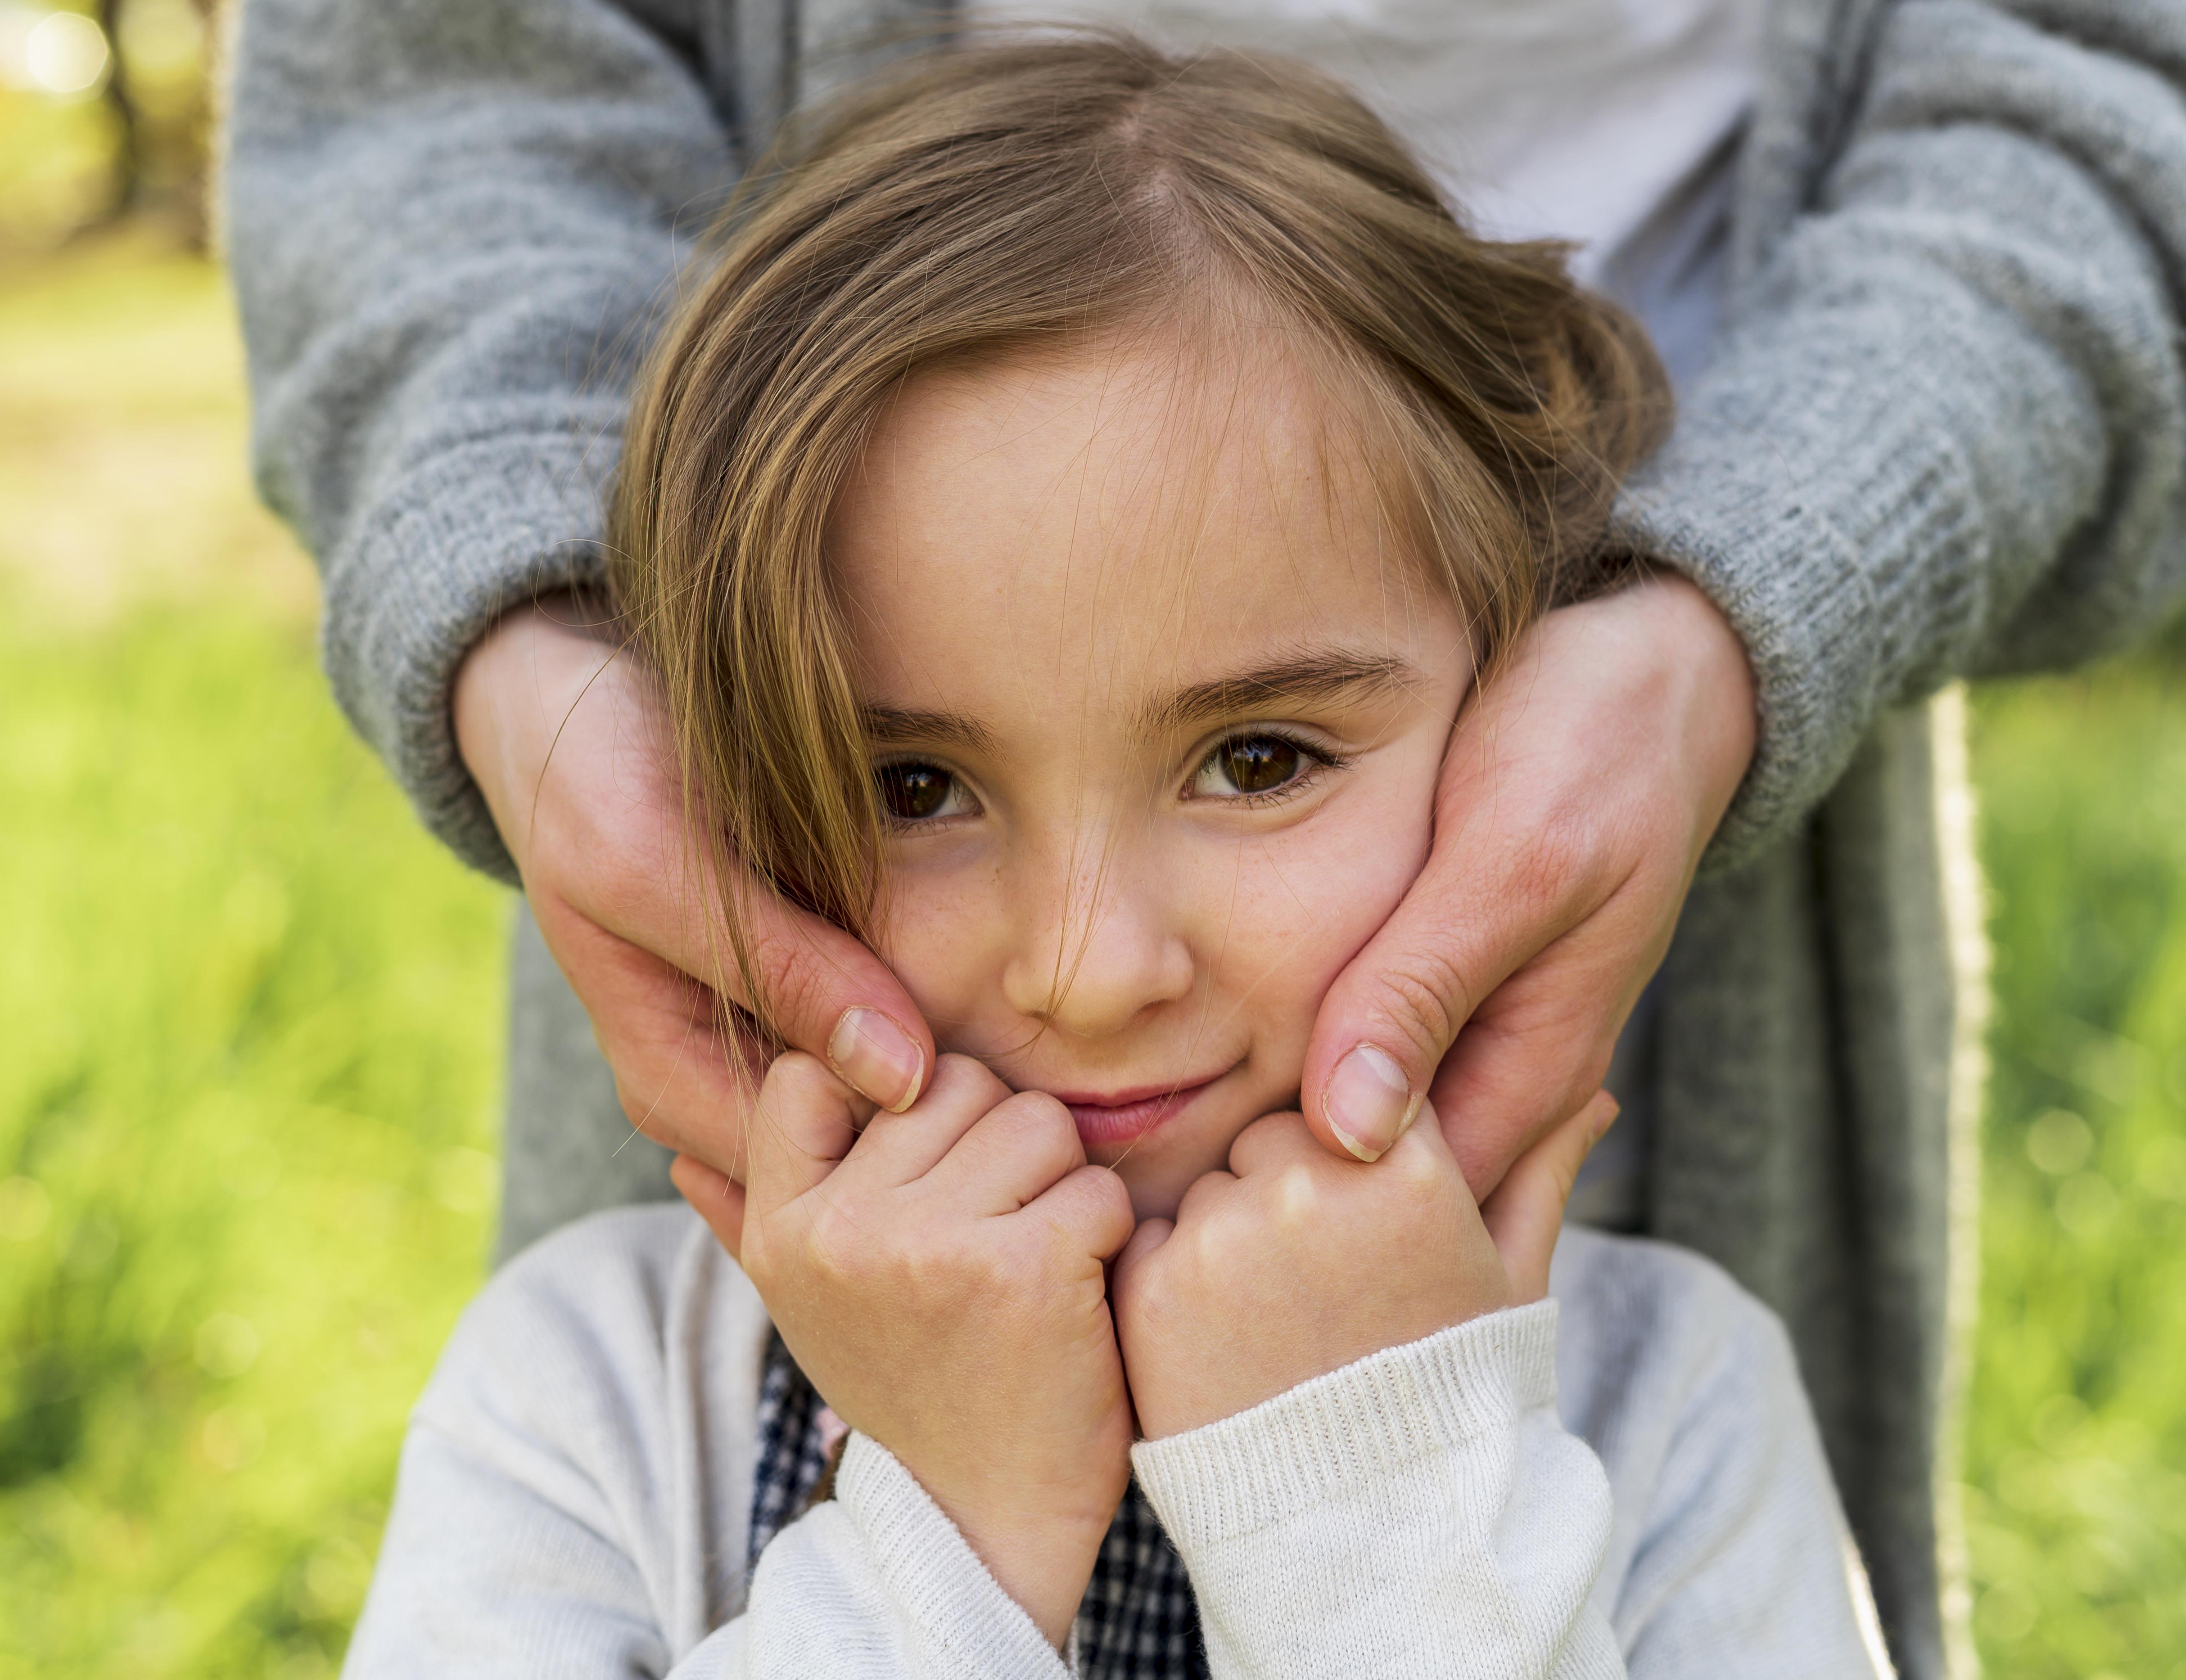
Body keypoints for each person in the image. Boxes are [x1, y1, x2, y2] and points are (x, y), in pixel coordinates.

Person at [224, 0, 2186, 1672]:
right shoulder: (589, 1396)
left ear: (1519, 699)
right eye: (912, 785)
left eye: (1257, 758)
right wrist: (946, 1538)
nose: (1091, 972)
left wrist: (1372, 1512)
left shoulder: (1673, 1401)